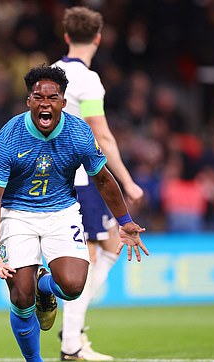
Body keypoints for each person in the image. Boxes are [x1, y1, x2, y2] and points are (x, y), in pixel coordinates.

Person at [0, 65, 148, 362]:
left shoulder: (79, 132)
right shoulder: (9, 137)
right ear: (29, 101)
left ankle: (44, 285)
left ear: (63, 102)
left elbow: (103, 179)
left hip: (62, 211)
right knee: (21, 297)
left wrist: (125, 222)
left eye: (52, 97)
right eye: (38, 96)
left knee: (72, 288)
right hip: (17, 214)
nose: (45, 103)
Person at [52, 7, 145, 360]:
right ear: (98, 38)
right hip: (81, 177)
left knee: (110, 246)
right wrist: (127, 181)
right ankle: (71, 344)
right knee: (89, 256)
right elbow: (101, 135)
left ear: (65, 37)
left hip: (60, 175)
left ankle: (72, 326)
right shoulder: (87, 80)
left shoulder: (51, 73)